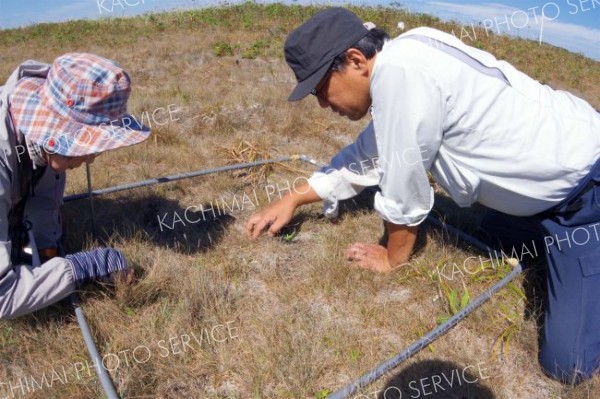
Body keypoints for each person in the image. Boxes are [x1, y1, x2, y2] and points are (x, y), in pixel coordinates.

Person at [245, 8, 600, 383]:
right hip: (558, 184)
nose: (322, 104)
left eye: (320, 89)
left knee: (568, 365)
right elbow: (369, 154)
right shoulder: (404, 57)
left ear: (355, 60)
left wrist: (392, 257)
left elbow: (403, 185)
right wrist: (293, 198)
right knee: (491, 236)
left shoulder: (400, 75)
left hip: (585, 196)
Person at [0, 53, 151, 319]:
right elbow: (3, 297)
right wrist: (81, 267)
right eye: (86, 145)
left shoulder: (37, 144)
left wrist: (47, 254)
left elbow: (42, 201)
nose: (92, 157)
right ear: (53, 132)